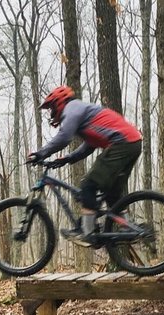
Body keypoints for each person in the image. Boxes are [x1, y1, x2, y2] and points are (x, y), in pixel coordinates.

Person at [28, 85, 142, 246]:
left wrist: (40, 153)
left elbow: (64, 137)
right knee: (111, 192)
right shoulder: (83, 112)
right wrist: (68, 158)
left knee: (89, 184)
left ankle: (87, 232)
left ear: (60, 102)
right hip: (132, 143)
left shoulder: (72, 108)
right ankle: (128, 228)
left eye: (52, 107)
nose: (51, 113)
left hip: (122, 143)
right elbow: (89, 145)